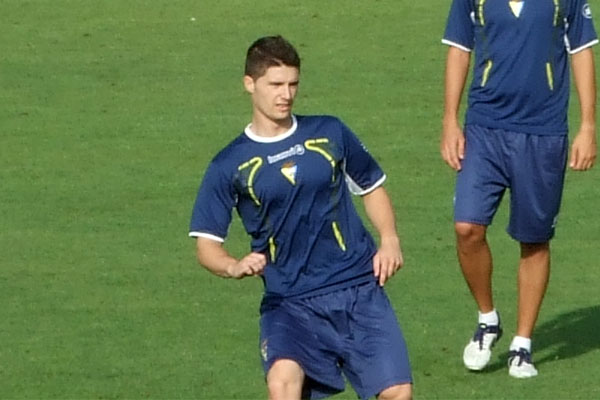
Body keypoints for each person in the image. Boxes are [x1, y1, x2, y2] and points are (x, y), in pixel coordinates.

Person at [189, 35, 412, 399]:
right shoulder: (229, 164)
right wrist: (232, 266)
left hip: (357, 288)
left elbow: (371, 185)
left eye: (293, 84)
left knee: (397, 394)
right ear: (249, 84)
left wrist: (389, 239)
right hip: (290, 302)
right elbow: (206, 244)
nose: (286, 94)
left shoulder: (329, 133)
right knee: (282, 382)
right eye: (275, 84)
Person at [440, 0, 597, 378]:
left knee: (534, 237)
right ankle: (488, 319)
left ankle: (522, 344)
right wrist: (449, 119)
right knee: (467, 227)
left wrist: (588, 125)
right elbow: (460, 49)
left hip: (543, 133)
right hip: (484, 127)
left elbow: (581, 51)